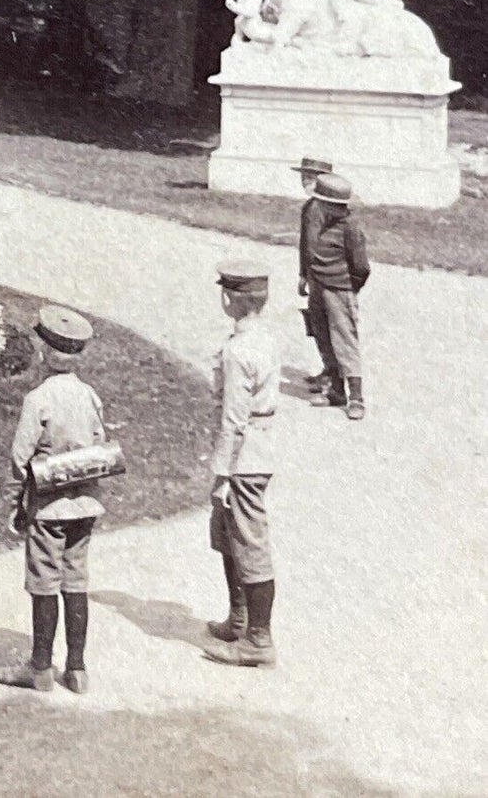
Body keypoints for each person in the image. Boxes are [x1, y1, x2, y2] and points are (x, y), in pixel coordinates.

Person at [0, 305, 104, 695]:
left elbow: (20, 459)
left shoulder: (37, 399)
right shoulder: (89, 395)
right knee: (76, 581)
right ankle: (77, 668)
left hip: (48, 508)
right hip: (85, 506)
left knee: (43, 583)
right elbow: (99, 445)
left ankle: (39, 668)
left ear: (42, 351)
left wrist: (16, 504)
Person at [205, 259, 280, 668]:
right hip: (256, 446)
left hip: (243, 458)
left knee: (249, 543)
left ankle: (257, 639)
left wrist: (222, 475)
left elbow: (233, 420)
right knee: (227, 533)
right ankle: (239, 619)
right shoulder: (264, 338)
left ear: (229, 298)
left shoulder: (238, 351)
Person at [302, 173, 371, 419]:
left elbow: (361, 267)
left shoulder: (350, 228)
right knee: (323, 335)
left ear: (335, 205)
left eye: (323, 202)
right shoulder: (323, 222)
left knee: (345, 340)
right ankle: (337, 391)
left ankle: (357, 398)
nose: (319, 205)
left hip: (339, 290)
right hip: (319, 285)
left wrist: (348, 288)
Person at [293, 156, 333, 395]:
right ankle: (328, 370)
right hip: (321, 273)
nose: (305, 181)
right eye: (303, 176)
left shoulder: (316, 208)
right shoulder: (319, 205)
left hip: (320, 275)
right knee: (319, 323)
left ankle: (331, 374)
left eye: (311, 177)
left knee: (321, 324)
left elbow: (311, 244)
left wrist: (305, 275)